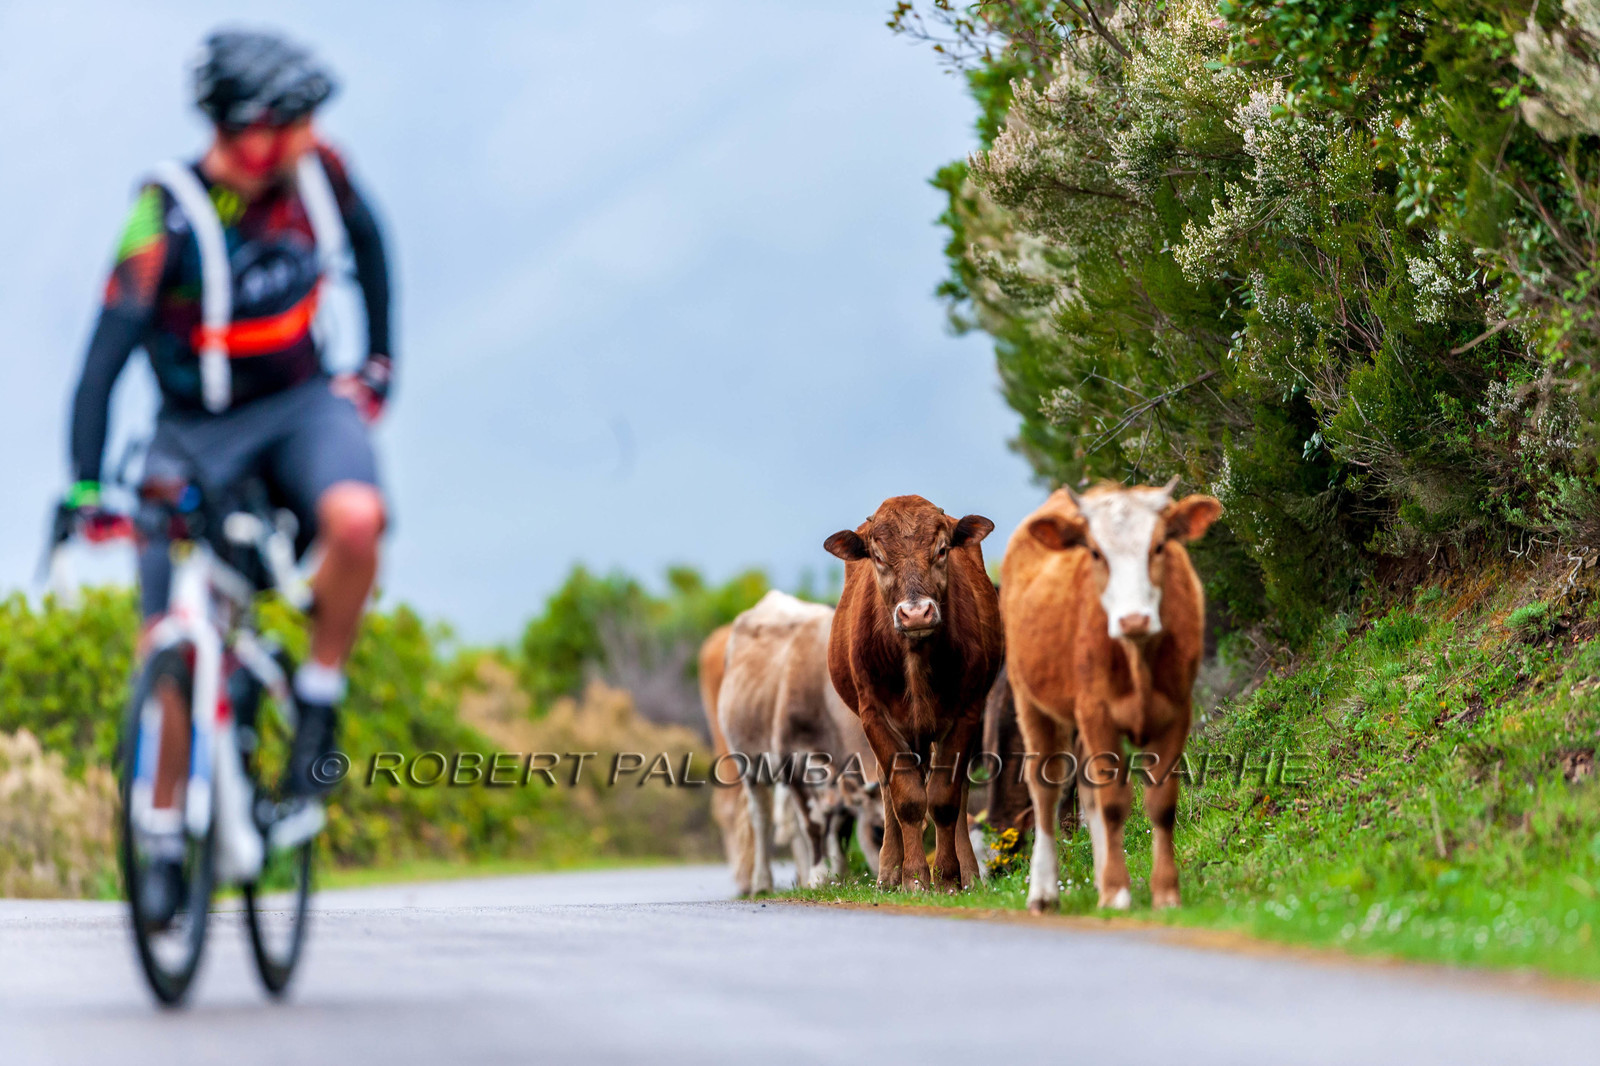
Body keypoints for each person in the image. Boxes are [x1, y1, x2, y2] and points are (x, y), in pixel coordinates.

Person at [64, 29, 392, 919]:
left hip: (298, 410)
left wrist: (378, 363)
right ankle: (162, 832)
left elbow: (370, 247)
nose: (309, 135)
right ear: (250, 129)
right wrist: (87, 485)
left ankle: (317, 691)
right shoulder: (162, 214)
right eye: (294, 121)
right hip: (191, 434)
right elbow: (104, 356)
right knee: (170, 635)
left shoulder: (323, 173)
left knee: (358, 519)